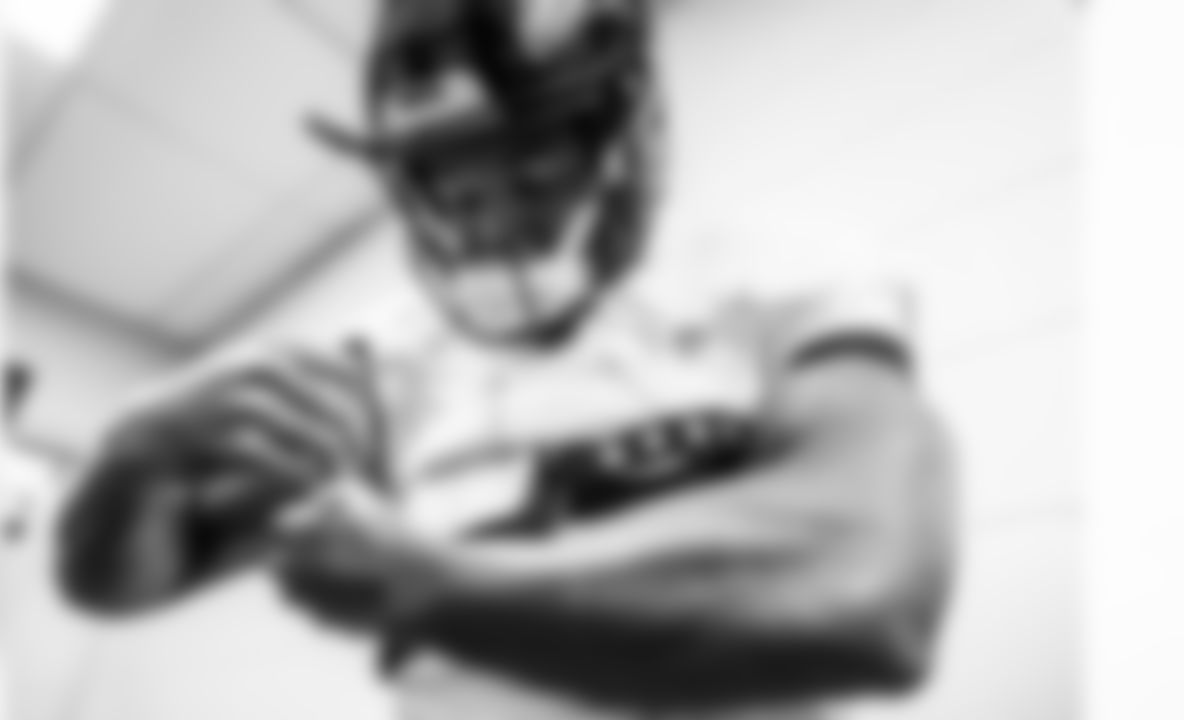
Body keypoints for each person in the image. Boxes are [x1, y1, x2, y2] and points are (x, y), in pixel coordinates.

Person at [54, 1, 955, 717]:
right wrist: (129, 457)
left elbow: (864, 591)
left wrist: (430, 584)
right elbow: (117, 585)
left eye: (533, 173)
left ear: (625, 142)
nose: (492, 224)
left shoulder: (773, 273)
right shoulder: (376, 368)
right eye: (454, 187)